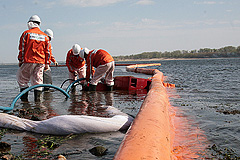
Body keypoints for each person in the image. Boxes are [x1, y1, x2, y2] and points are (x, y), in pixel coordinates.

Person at [17, 15, 51, 102]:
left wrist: (21, 60)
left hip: (29, 60)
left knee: (22, 80)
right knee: (38, 81)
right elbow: (47, 52)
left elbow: (22, 48)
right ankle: (38, 103)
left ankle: (24, 102)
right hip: (41, 62)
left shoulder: (26, 34)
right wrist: (47, 63)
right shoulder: (45, 37)